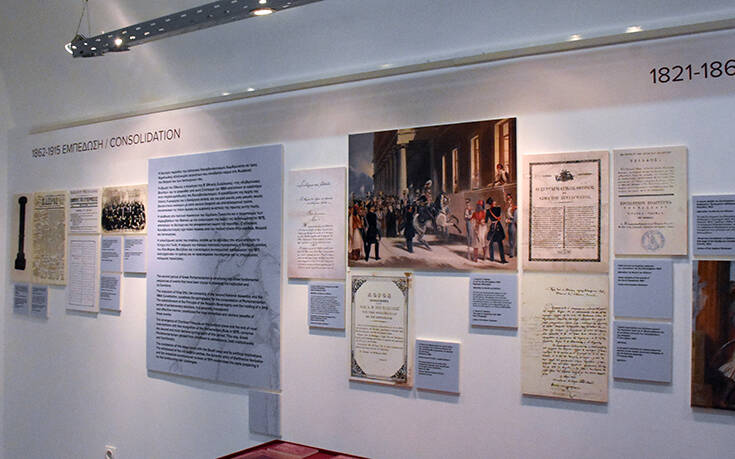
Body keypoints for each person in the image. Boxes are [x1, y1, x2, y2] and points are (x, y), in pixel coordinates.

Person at [486, 197, 507, 263]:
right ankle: (502, 260)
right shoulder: (498, 209)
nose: (495, 203)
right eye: (493, 202)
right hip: (498, 227)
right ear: (492, 203)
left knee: (491, 243)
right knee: (499, 243)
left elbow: (486, 220)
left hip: (492, 227)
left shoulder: (488, 211)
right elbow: (499, 213)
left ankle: (492, 258)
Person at [505, 192, 517, 258]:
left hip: (512, 224)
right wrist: (506, 220)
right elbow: (507, 216)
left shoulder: (514, 208)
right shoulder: (507, 208)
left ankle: (512, 253)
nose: (508, 201)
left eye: (509, 199)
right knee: (509, 239)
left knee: (512, 239)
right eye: (507, 199)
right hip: (509, 223)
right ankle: (511, 252)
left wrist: (510, 221)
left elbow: (515, 219)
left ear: (511, 200)